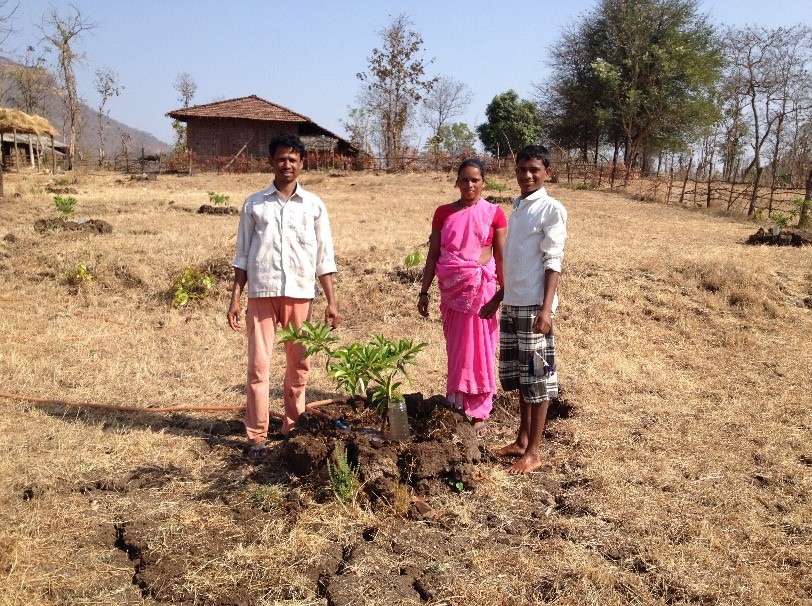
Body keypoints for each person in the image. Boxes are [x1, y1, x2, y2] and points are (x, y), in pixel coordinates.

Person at [227, 133, 339, 459]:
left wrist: (332, 302)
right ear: (271, 162)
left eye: (293, 159)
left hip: (300, 295)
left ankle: (294, 429)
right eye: (280, 159)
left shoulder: (314, 206)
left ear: (302, 163)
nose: (286, 165)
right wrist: (235, 298)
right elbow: (242, 256)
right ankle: (256, 438)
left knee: (299, 366)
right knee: (259, 368)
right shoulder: (255, 203)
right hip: (261, 293)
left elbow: (324, 258)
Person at [482, 144, 567, 474]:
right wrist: (499, 297)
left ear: (547, 172)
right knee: (520, 377)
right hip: (514, 303)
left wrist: (546, 310)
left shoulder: (551, 209)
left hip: (534, 306)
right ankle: (521, 439)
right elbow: (518, 263)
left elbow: (552, 261)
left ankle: (533, 451)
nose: (527, 175)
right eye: (522, 169)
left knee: (537, 379)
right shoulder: (518, 209)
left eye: (534, 170)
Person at [418, 159, 507, 436]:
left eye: (475, 180)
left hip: (483, 292)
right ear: (456, 182)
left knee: (481, 349)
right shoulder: (443, 213)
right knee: (457, 349)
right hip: (452, 291)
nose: (470, 185)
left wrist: (503, 292)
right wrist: (424, 290)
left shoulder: (495, 213)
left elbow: (501, 257)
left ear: (484, 183)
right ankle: (457, 404)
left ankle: (480, 410)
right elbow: (434, 254)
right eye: (464, 179)